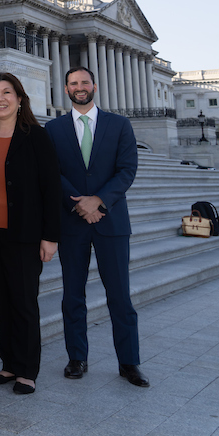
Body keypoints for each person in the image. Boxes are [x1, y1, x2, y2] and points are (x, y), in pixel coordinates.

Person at [45, 67, 147, 387]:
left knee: (120, 296)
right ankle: (77, 358)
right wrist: (78, 203)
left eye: (84, 82)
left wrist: (99, 201)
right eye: (73, 83)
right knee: (72, 295)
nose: (79, 87)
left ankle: (129, 363)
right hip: (72, 222)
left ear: (95, 86)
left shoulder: (119, 125)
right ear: (66, 89)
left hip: (111, 222)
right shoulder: (54, 128)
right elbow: (51, 172)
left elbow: (127, 170)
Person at [0, 72, 61, 395]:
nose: (0, 98)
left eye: (6, 92)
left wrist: (50, 236)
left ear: (19, 98)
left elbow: (51, 188)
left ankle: (27, 370)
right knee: (0, 301)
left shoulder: (35, 136)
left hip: (25, 234)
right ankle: (9, 363)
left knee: (24, 302)